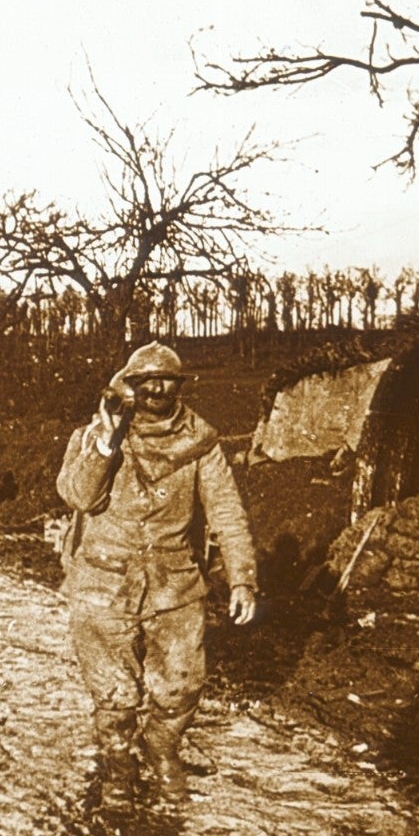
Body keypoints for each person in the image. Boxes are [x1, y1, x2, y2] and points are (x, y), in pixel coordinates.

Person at [56, 341, 258, 807]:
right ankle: (119, 766)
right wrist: (106, 444)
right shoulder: (93, 436)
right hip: (103, 584)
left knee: (182, 685)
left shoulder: (201, 443)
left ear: (180, 387)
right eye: (144, 381)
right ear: (127, 386)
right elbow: (81, 497)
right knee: (115, 691)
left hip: (175, 582)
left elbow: (226, 509)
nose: (156, 388)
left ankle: (161, 748)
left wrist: (242, 577)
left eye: (166, 380)